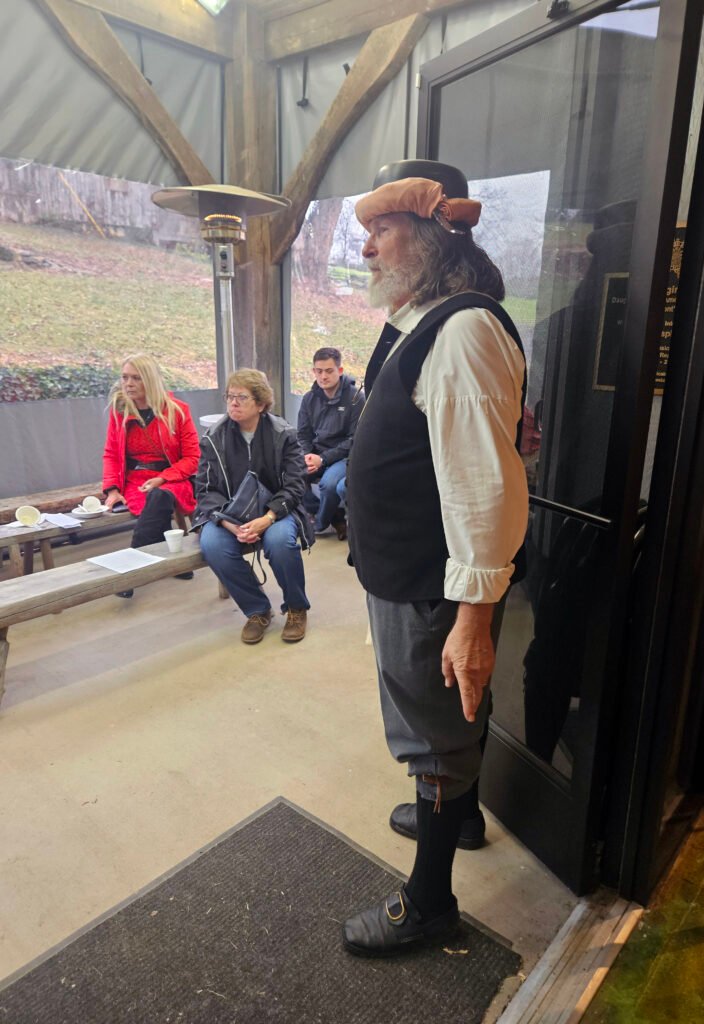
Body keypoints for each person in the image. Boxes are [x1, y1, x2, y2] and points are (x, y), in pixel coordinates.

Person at [342, 160, 529, 957]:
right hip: (407, 575)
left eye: (382, 230)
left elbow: (484, 489)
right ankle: (460, 815)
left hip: (433, 587)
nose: (368, 248)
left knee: (436, 736)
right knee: (446, 720)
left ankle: (429, 902)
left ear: (425, 233)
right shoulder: (426, 317)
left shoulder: (463, 330)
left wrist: (474, 621)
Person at [192, 369, 312, 645]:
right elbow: (205, 488)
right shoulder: (214, 437)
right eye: (230, 396)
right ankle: (257, 610)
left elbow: (295, 485)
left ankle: (296, 607)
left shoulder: (283, 434)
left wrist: (268, 518)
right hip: (229, 515)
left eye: (241, 397)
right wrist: (227, 523)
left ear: (260, 404)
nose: (233, 403)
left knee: (281, 540)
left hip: (275, 511)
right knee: (212, 544)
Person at [102, 354, 200, 598]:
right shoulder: (120, 412)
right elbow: (112, 454)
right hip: (136, 479)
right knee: (155, 500)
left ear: (150, 381)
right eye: (125, 377)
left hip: (173, 477)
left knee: (160, 496)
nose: (128, 383)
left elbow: (192, 457)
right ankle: (175, 562)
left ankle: (129, 572)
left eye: (136, 378)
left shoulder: (178, 411)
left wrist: (164, 477)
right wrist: (112, 489)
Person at [297, 347, 365, 540]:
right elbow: (303, 434)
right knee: (291, 473)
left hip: (344, 456)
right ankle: (334, 517)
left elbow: (354, 439)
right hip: (316, 453)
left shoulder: (355, 398)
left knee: (329, 484)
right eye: (319, 371)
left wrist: (323, 459)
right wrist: (307, 455)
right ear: (313, 372)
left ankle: (319, 524)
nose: (323, 376)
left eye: (329, 371)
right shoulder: (309, 399)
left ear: (340, 371)